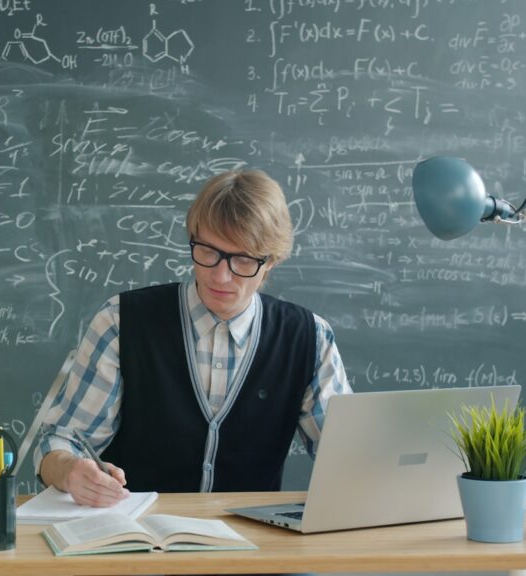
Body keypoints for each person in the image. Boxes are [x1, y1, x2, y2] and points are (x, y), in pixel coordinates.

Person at [34, 169, 352, 507]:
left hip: (254, 550)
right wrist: (70, 471)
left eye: (242, 259)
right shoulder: (122, 322)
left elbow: (348, 457)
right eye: (208, 251)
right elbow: (59, 442)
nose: (220, 274)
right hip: (134, 543)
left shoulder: (309, 339)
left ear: (270, 261)